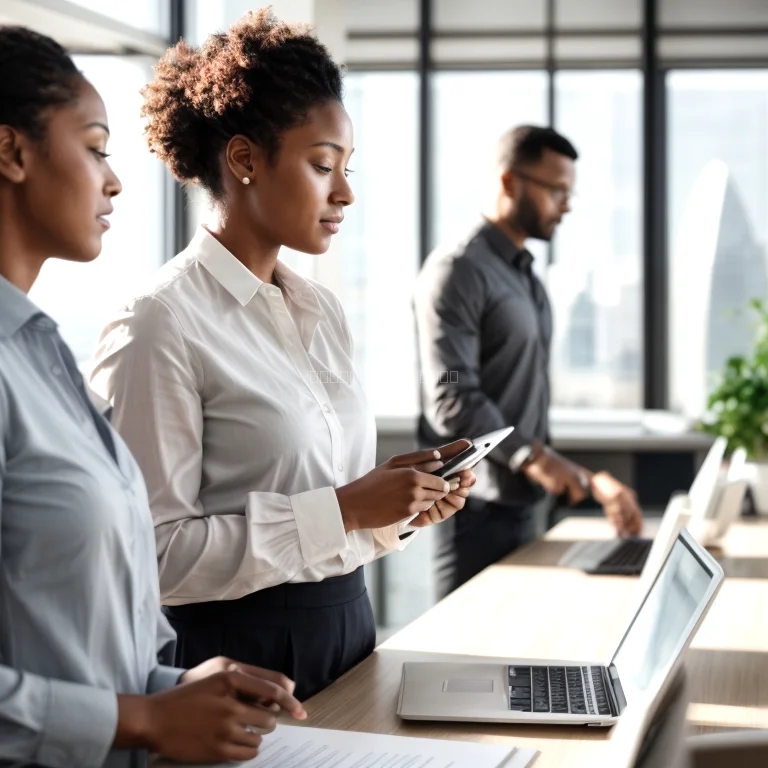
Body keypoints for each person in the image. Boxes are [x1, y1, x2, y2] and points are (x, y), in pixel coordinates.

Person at [89, 8, 476, 702]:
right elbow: (150, 556)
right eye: (323, 165)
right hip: (234, 660)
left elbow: (333, 515)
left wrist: (398, 509)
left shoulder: (319, 311)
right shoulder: (160, 324)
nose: (345, 192)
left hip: (349, 635)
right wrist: (347, 509)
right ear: (243, 160)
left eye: (347, 168)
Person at [0, 25, 308, 768]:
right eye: (96, 146)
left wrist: (174, 689)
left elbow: (73, 635)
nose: (114, 180)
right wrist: (136, 719)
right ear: (11, 152)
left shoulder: (42, 354)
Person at [414, 124, 643, 599]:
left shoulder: (526, 279)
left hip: (522, 504)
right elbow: (451, 392)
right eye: (556, 190)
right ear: (509, 182)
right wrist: (532, 456)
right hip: (472, 508)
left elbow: (516, 400)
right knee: (464, 653)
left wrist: (581, 476)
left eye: (569, 192)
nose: (567, 204)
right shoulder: (458, 271)